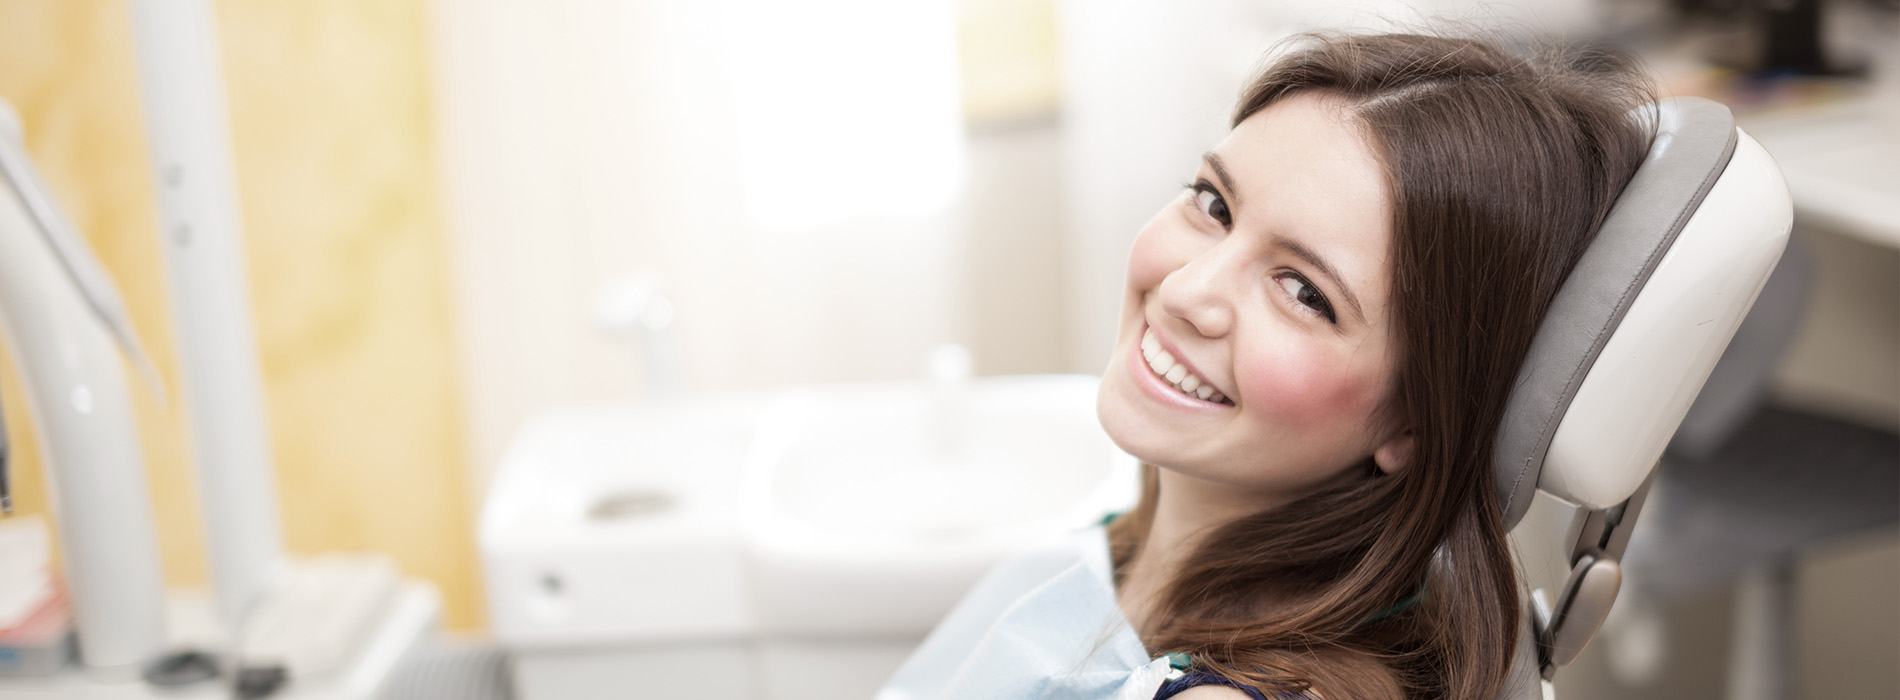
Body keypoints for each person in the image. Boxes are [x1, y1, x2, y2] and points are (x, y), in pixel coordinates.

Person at [881, 32, 1655, 700]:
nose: (1186, 291)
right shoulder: (1134, 547)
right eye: (1214, 204)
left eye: (1303, 293)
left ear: (1416, 420)